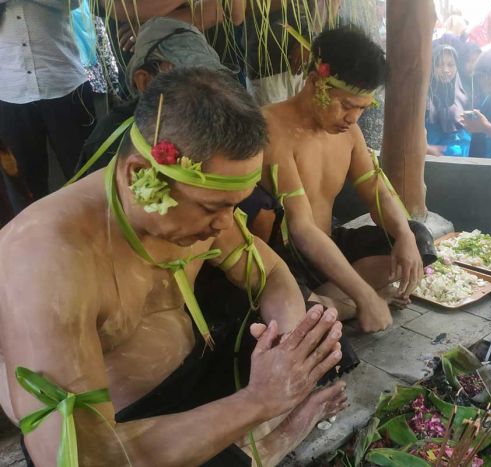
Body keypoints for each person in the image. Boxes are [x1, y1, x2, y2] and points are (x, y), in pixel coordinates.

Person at [0, 67, 348, 466]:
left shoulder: (200, 210)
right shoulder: (45, 260)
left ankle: (258, 432)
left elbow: (271, 274)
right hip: (111, 430)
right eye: (212, 208)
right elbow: (78, 457)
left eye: (235, 205)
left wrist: (289, 349)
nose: (226, 224)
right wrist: (260, 401)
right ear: (140, 176)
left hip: (191, 362)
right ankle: (266, 443)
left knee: (318, 336)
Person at [260, 27, 436, 333]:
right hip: (287, 258)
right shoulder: (271, 128)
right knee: (294, 312)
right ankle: (345, 303)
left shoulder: (349, 133)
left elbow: (376, 191)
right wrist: (365, 295)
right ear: (316, 82)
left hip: (331, 245)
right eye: (346, 105)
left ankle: (333, 304)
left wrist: (404, 236)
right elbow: (300, 228)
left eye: (362, 109)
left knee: (418, 239)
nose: (353, 118)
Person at [74, 17, 230, 179]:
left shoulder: (217, 119)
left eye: (211, 79)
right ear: (145, 81)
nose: (207, 93)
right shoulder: (111, 144)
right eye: (189, 82)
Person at [0, 0, 95, 215]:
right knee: (23, 184)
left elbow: (74, 2)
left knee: (86, 172)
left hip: (64, 83)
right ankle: (34, 239)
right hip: (10, 92)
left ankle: (96, 233)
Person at [426, 45, 471, 157]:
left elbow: (465, 140)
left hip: (454, 165)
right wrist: (425, 148)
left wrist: (448, 151)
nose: (446, 70)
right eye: (439, 65)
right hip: (425, 162)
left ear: (457, 67)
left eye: (451, 65)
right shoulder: (423, 96)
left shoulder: (464, 98)